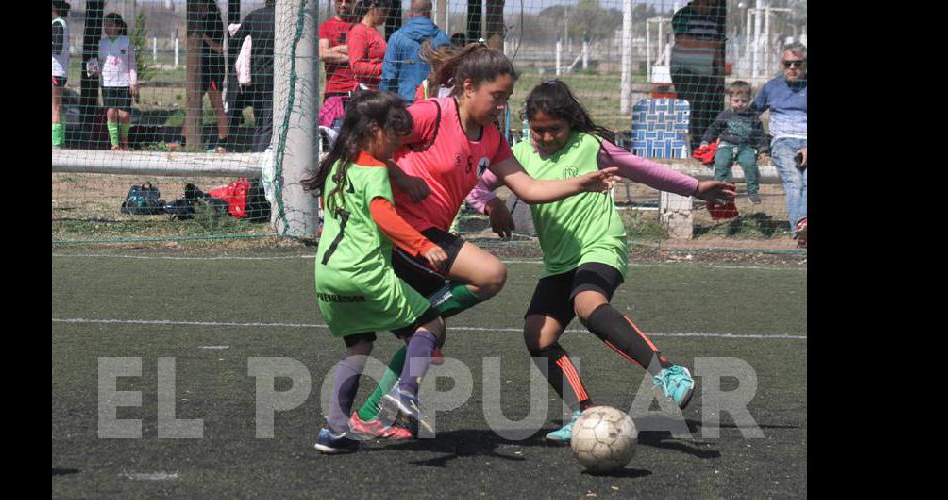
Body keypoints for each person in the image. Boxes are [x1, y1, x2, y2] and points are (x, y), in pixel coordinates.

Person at [346, 43, 621, 439]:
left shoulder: (491, 137)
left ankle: (375, 416)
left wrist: (582, 182)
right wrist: (401, 178)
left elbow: (527, 187)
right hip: (401, 234)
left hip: (431, 238)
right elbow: (364, 142)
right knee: (489, 274)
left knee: (432, 329)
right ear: (469, 86)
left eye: (507, 99)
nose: (502, 106)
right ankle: (403, 350)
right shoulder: (431, 115)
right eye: (498, 97)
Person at [502, 79, 735, 441]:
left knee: (588, 304)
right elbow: (481, 183)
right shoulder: (520, 154)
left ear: (571, 122)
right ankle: (583, 414)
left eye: (555, 129)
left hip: (600, 245)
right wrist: (488, 206)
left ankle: (668, 371)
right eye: (539, 130)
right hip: (559, 260)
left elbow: (644, 170)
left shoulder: (592, 146)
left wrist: (695, 187)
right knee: (538, 335)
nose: (546, 137)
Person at [303, 90, 449, 453]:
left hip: (327, 275)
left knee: (359, 344)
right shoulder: (375, 171)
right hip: (364, 272)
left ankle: (334, 431)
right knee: (431, 325)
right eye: (395, 134)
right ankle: (405, 392)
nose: (399, 143)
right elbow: (384, 216)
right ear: (372, 129)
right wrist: (423, 245)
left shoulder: (336, 165)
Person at [752, 43, 807, 247]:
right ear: (781, 64)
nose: (792, 67)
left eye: (797, 63)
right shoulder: (771, 87)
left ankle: (803, 227)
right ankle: (801, 227)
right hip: (782, 141)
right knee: (794, 180)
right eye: (788, 63)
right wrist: (759, 146)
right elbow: (749, 116)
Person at [670, 0, 726, 152]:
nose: (708, 8)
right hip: (685, 69)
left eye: (710, 5)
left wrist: (719, 72)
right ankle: (684, 143)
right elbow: (682, 40)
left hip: (706, 71)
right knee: (688, 106)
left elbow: (717, 49)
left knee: (702, 108)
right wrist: (711, 45)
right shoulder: (683, 15)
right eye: (706, 4)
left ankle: (700, 143)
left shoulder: (711, 21)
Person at [699, 81, 767, 204]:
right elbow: (713, 129)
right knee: (721, 163)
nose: (740, 104)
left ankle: (752, 192)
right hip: (726, 144)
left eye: (744, 101)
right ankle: (720, 191)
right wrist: (705, 141)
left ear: (750, 100)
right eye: (736, 101)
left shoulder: (753, 117)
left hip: (745, 146)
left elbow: (760, 135)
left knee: (750, 164)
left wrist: (763, 150)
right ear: (730, 100)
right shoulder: (725, 115)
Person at [379, 0, 451, 102]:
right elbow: (449, 72)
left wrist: (384, 103)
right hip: (433, 102)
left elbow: (388, 76)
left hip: (404, 101)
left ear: (410, 13)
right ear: (429, 14)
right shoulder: (443, 38)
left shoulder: (397, 38)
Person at [88, 13, 137, 151]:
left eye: (109, 24)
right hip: (107, 83)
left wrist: (133, 82)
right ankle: (114, 144)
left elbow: (132, 63)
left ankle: (125, 142)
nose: (106, 27)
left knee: (124, 115)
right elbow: (92, 61)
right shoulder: (101, 43)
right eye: (105, 24)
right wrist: (93, 70)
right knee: (111, 113)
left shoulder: (126, 41)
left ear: (118, 26)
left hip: (124, 83)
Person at [188, 0, 230, 152]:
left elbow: (218, 48)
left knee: (216, 104)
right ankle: (182, 140)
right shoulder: (196, 20)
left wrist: (202, 34)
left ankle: (223, 142)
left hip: (213, 67)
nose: (197, 5)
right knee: (192, 102)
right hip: (199, 68)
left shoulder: (214, 20)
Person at [235, 0, 276, 152]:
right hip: (274, 77)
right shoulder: (282, 18)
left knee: (259, 121)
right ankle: (260, 163)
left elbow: (237, 38)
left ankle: (254, 158)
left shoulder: (254, 16)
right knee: (268, 122)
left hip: (256, 76)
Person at [318, 0, 358, 128]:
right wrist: (352, 57)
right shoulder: (326, 26)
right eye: (340, 1)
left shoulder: (359, 26)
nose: (344, 5)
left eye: (348, 1)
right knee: (334, 135)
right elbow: (323, 54)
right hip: (334, 91)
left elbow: (365, 51)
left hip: (357, 89)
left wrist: (335, 49)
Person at [346, 0, 389, 90]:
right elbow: (356, 66)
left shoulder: (375, 31)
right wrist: (383, 68)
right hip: (365, 92)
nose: (386, 16)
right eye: (384, 11)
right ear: (373, 9)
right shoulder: (359, 31)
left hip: (377, 90)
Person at [52, 1, 71, 149]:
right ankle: (60, 139)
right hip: (59, 71)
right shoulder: (60, 23)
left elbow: (57, 47)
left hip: (55, 72)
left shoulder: (58, 23)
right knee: (58, 106)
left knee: (55, 107)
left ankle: (56, 142)